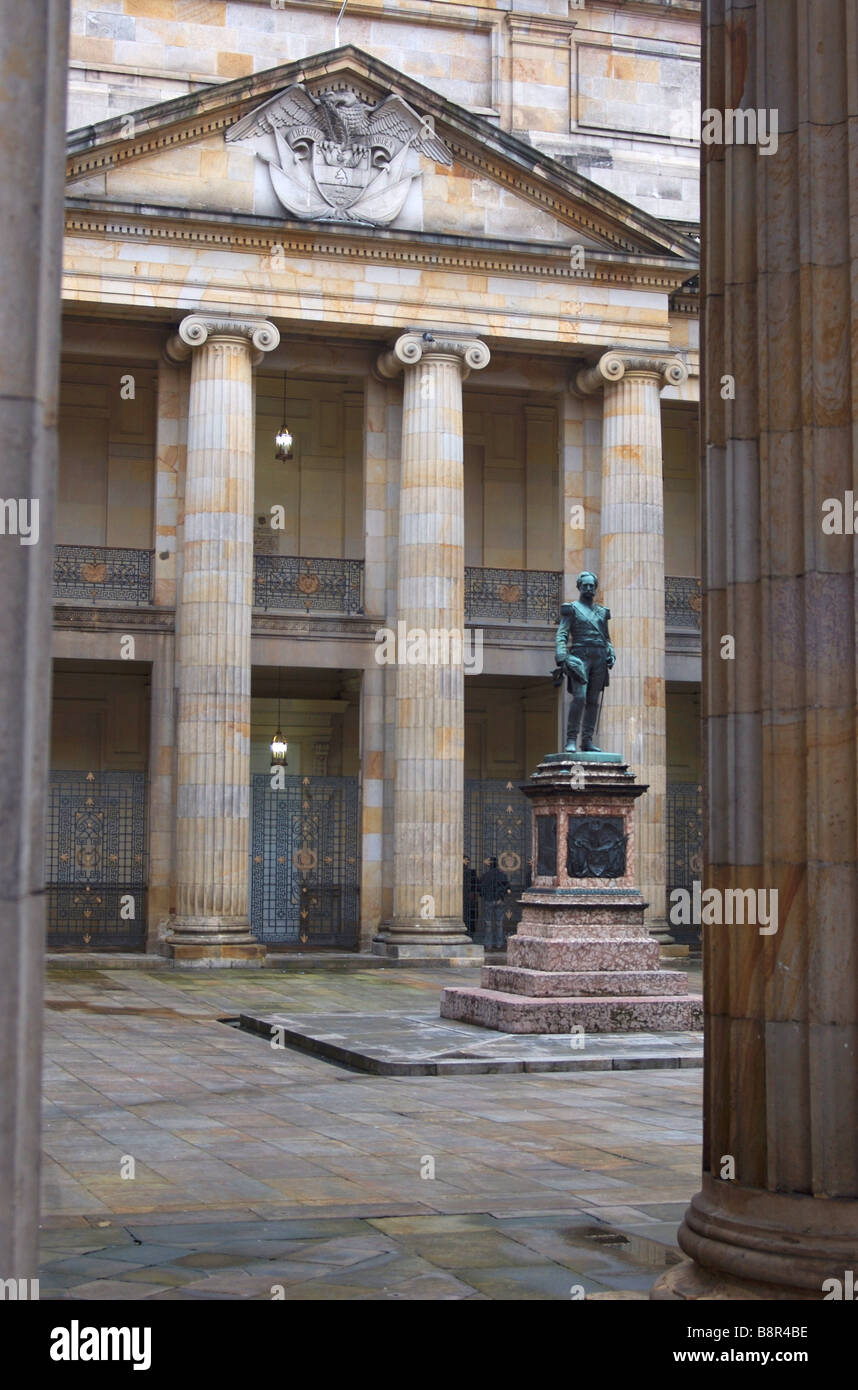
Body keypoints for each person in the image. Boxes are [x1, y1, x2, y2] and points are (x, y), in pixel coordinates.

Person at [552, 570, 615, 753]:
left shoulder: (602, 613)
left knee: (593, 700)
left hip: (599, 656)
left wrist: (611, 651)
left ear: (595, 588)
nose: (588, 588)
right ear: (580, 587)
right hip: (580, 656)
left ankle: (587, 741)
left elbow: (607, 637)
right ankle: (571, 739)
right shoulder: (571, 609)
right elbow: (562, 634)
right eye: (585, 585)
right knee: (579, 697)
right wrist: (562, 656)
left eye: (591, 586)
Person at [479, 856, 510, 950]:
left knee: (488, 922)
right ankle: (499, 943)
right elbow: (507, 887)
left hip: (488, 900)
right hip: (499, 900)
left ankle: (488, 944)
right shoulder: (502, 874)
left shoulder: (486, 875)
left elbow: (481, 888)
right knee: (499, 923)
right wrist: (501, 896)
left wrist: (484, 896)